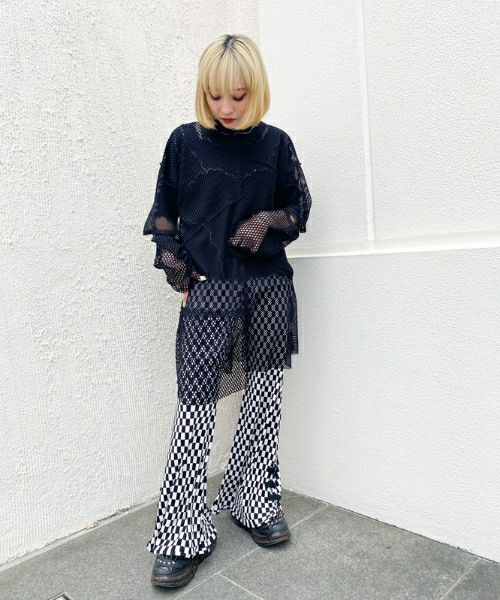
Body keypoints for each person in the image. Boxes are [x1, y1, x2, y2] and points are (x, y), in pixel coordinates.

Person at [143, 33, 312, 589]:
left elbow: (299, 206)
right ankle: (181, 532)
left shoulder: (277, 144)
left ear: (254, 89)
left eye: (238, 96)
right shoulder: (185, 143)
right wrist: (176, 265)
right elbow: (163, 213)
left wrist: (266, 221)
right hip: (211, 289)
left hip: (267, 288)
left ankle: (254, 500)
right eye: (216, 96)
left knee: (264, 399)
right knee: (195, 410)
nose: (227, 107)